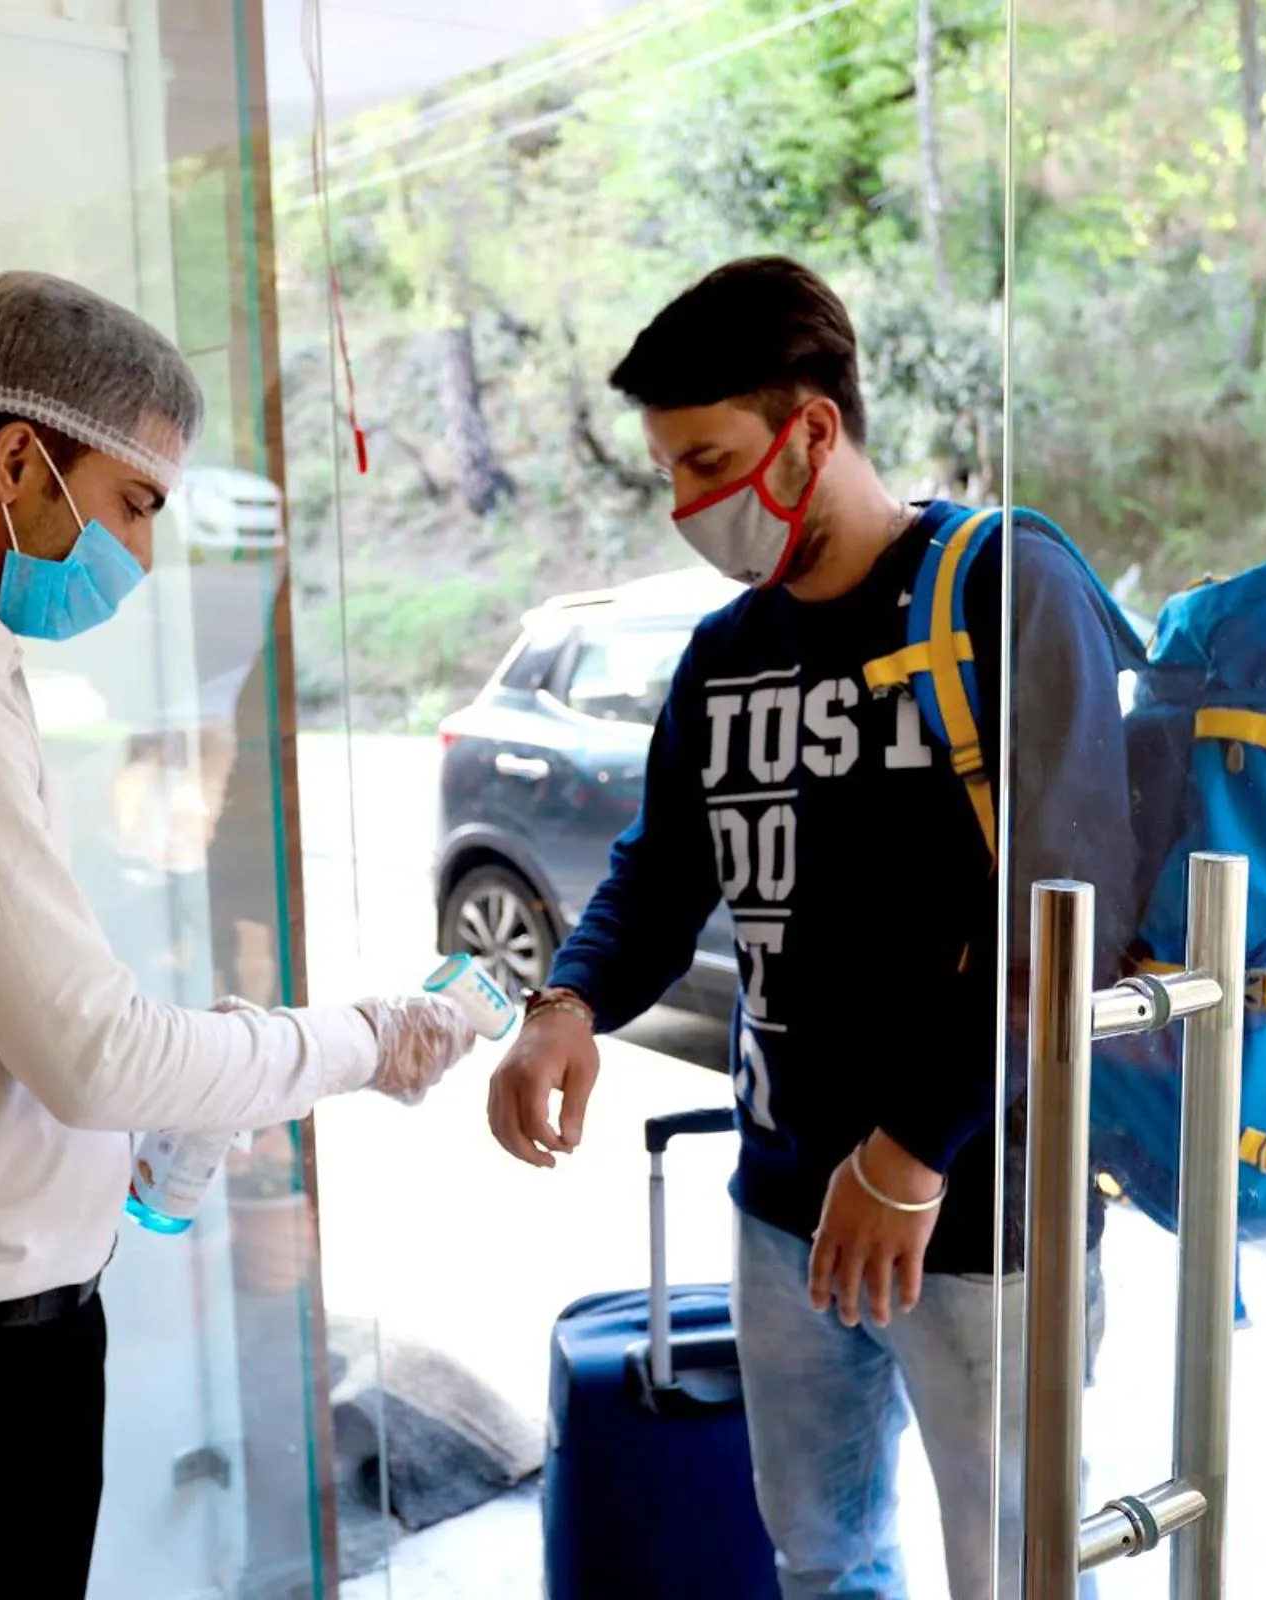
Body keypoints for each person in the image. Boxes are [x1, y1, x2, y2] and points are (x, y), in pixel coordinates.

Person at [0, 270, 475, 1599]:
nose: (142, 554)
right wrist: (361, 1042)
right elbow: (92, 1054)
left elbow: (8, 1025)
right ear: (19, 459)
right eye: (136, 502)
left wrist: (160, 1123)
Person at [485, 258, 1138, 1600]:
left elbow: (1066, 915)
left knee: (1014, 1574)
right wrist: (565, 1008)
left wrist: (908, 1154)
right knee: (823, 1556)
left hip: (976, 1213)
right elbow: (664, 872)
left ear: (813, 434)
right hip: (784, 1210)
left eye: (708, 460)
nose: (685, 506)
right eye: (668, 472)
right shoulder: (727, 654)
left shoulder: (1001, 586)